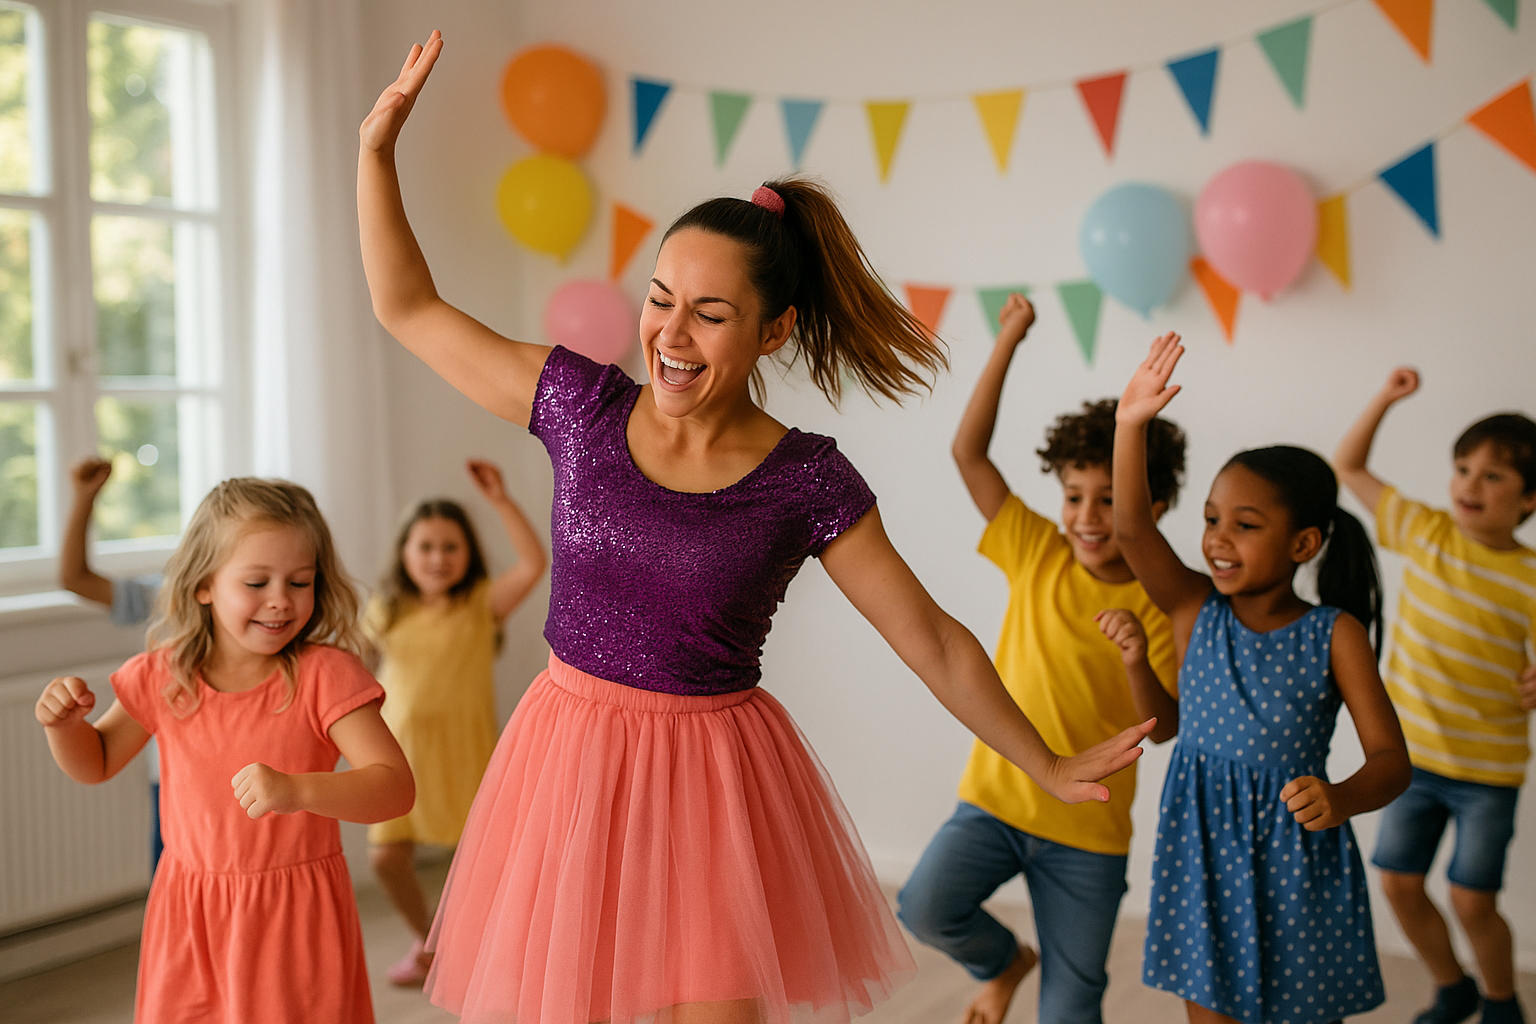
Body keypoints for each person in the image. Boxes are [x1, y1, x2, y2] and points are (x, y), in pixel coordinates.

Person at [358, 32, 1154, 1024]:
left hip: (712, 783)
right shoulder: (578, 406)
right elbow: (407, 305)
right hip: (569, 757)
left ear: (773, 329)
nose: (670, 336)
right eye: (658, 301)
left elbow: (934, 639)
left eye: (709, 313)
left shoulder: (805, 479)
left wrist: (1042, 758)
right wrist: (377, 154)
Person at [896, 293, 1185, 1024]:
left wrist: (1134, 659)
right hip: (998, 798)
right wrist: (1009, 342)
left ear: (1153, 505)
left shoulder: (1173, 603)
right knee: (925, 907)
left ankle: (1038, 977)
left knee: (1071, 1008)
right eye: (1074, 496)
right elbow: (968, 454)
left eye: (1110, 499)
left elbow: (1170, 724)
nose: (1088, 517)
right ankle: (1005, 961)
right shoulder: (1037, 551)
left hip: (1089, 831)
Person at [34, 478, 414, 1024]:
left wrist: (297, 788)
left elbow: (395, 787)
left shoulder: (326, 676)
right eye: (257, 581)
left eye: (300, 581)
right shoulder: (165, 674)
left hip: (292, 920)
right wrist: (63, 726)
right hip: (189, 914)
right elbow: (94, 763)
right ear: (204, 585)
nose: (281, 599)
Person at [1112, 333, 1410, 1024]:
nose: (1217, 537)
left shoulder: (1334, 634)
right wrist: (1131, 427)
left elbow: (1393, 763)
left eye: (1245, 525)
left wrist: (1341, 798)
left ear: (1303, 543)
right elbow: (1131, 530)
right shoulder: (1194, 609)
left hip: (1296, 860)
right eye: (1213, 519)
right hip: (1202, 856)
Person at [1334, 368, 1536, 1024]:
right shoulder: (1424, 531)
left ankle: (1503, 1002)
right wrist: (1385, 399)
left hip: (1488, 773)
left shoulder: (1530, 577)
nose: (1470, 485)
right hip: (1411, 764)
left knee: (1473, 899)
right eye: (1463, 468)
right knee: (1397, 882)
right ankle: (1453, 987)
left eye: (1493, 476)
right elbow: (1348, 464)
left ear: (1529, 500)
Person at [366, 458, 547, 987]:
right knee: (385, 858)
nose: (438, 558)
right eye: (425, 546)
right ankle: (429, 943)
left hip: (465, 754)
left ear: (468, 554)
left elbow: (534, 563)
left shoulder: (479, 605)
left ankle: (486, 949)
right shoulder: (385, 610)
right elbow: (355, 668)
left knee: (483, 865)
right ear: (404, 553)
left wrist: (501, 500)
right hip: (399, 753)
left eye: (450, 546)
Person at [59, 456, 167, 872]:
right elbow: (75, 577)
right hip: (174, 777)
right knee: (172, 888)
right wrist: (85, 499)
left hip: (260, 781)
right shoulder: (167, 594)